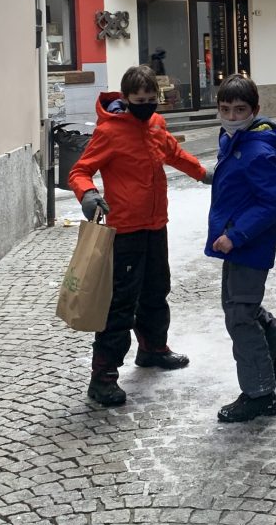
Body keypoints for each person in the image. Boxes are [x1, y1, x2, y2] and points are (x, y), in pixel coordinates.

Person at [69, 64, 212, 407]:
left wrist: (203, 173)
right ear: (127, 98)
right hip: (126, 230)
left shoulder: (156, 126)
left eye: (152, 99)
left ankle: (152, 348)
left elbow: (174, 154)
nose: (147, 104)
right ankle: (102, 377)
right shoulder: (110, 132)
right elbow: (80, 170)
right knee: (120, 304)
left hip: (155, 224)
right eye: (140, 99)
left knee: (156, 289)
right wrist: (88, 194)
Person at [205, 74, 276, 423]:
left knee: (240, 316)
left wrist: (236, 235)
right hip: (236, 243)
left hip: (248, 245)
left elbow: (272, 202)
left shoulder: (257, 150)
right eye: (225, 109)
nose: (232, 116)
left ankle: (259, 394)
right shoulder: (235, 140)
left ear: (255, 110)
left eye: (240, 110)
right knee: (240, 307)